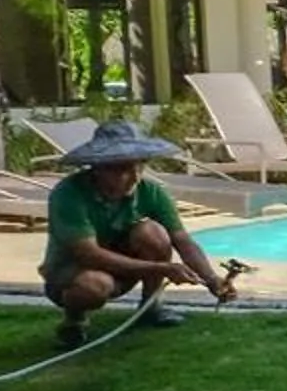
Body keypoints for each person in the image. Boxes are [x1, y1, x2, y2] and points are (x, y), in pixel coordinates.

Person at [42, 119, 238, 348]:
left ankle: (150, 307)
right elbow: (89, 254)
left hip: (125, 270)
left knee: (153, 233)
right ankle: (74, 321)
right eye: (123, 169)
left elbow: (182, 240)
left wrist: (212, 279)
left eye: (139, 166)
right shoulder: (69, 194)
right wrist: (163, 269)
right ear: (99, 168)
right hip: (73, 273)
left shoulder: (151, 192)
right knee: (94, 286)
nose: (134, 176)